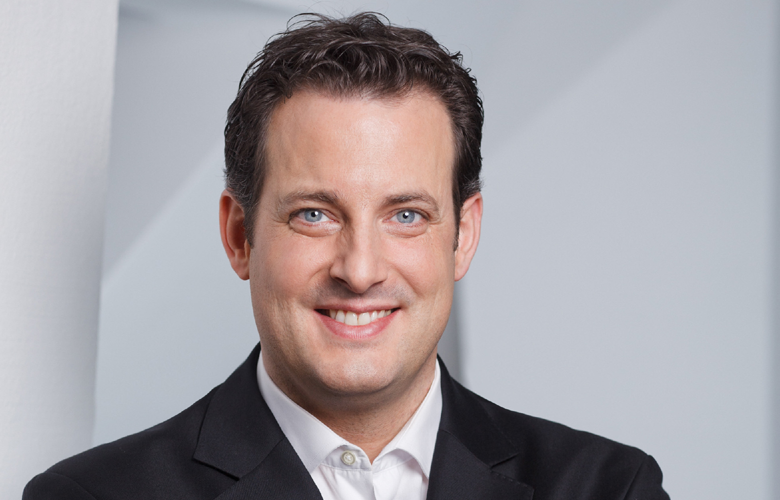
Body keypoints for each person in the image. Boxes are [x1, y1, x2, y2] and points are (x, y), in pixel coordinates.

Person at [24, 13, 670, 500]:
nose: (360, 271)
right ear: (240, 235)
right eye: (315, 214)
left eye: (406, 215)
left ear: (463, 235)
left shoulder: (608, 487)